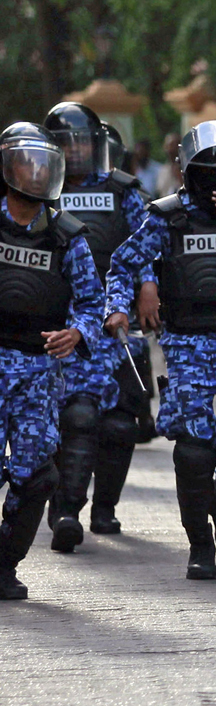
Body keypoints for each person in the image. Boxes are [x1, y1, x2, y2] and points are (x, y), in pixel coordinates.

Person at [104, 120, 216, 581]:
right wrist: (121, 306)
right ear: (190, 172)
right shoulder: (167, 217)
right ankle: (199, 543)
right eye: (210, 172)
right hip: (187, 345)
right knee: (194, 452)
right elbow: (123, 262)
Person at [40, 102, 156, 548]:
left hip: (118, 314)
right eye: (67, 145)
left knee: (122, 424)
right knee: (80, 416)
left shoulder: (123, 190)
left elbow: (147, 242)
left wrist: (148, 284)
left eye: (85, 142)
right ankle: (66, 509)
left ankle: (105, 508)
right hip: (63, 316)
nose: (77, 151)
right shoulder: (39, 188)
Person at [0, 123, 103, 598]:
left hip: (38, 373)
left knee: (37, 474)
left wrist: (77, 330)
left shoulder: (66, 237)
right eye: (26, 163)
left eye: (44, 165)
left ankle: (5, 565)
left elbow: (91, 301)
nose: (35, 173)